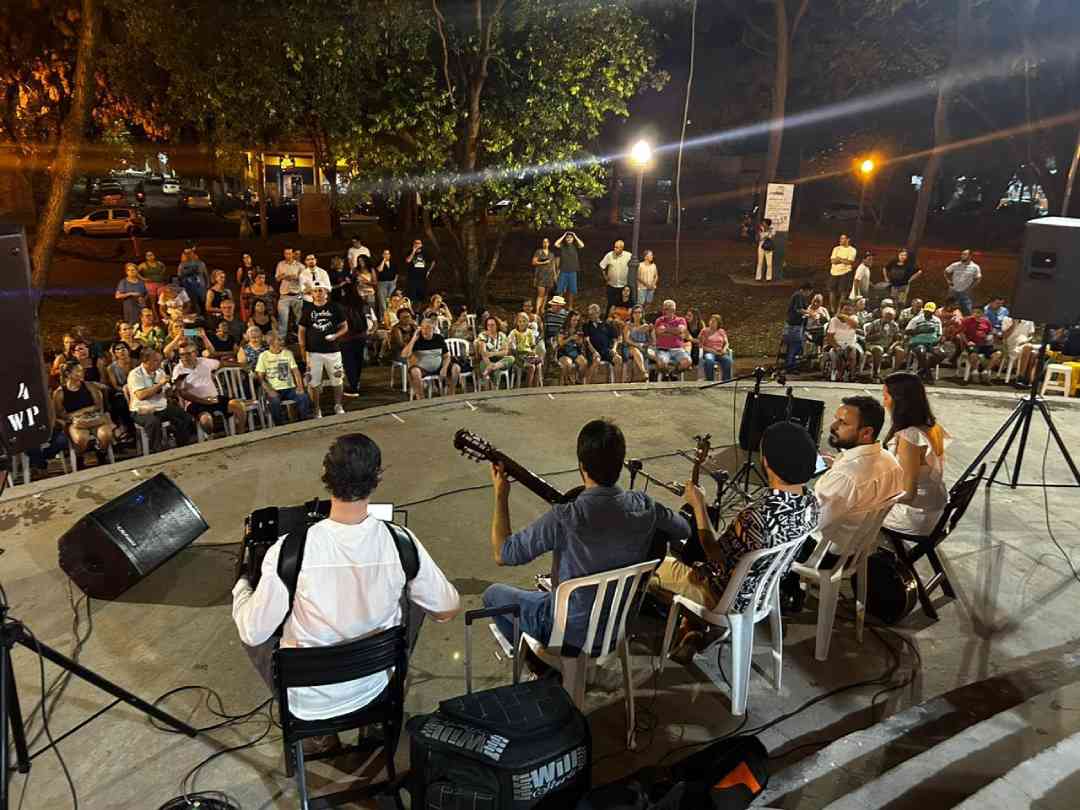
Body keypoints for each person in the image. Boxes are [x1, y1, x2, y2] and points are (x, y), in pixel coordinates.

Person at [232, 433, 460, 745]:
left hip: (308, 702)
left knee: (249, 619)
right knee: (417, 596)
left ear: (326, 476)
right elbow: (447, 608)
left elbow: (254, 633)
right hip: (377, 687)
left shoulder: (289, 550)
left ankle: (322, 735)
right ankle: (377, 725)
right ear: (377, 478)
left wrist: (241, 588)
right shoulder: (400, 542)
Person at [483, 420, 690, 656]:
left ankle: (538, 663)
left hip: (567, 635)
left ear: (582, 466)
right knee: (542, 596)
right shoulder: (645, 505)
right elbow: (683, 529)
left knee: (493, 595)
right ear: (621, 465)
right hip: (618, 627)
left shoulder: (565, 517)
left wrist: (501, 494)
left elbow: (503, 553)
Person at [652, 421, 819, 649]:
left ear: (767, 462)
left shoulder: (755, 515)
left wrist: (699, 506)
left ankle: (693, 624)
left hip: (725, 599)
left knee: (651, 566)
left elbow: (714, 554)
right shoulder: (811, 503)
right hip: (763, 594)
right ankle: (694, 632)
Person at [807, 395, 904, 564]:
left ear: (866, 432)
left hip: (825, 555)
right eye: (836, 419)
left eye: (843, 423)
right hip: (858, 548)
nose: (833, 426)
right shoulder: (891, 462)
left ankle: (786, 585)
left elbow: (811, 523)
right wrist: (837, 462)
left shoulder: (845, 477)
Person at [881, 372, 951, 536]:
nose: (883, 403)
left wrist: (873, 495)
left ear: (900, 400)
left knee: (854, 511)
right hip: (934, 508)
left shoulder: (910, 437)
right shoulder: (932, 426)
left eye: (885, 397)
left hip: (915, 516)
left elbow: (908, 494)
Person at [172, 341, 247, 437]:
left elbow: (222, 363)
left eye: (188, 354)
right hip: (195, 403)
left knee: (238, 405)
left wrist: (241, 365)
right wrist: (204, 401)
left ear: (195, 353)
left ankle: (241, 436)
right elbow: (182, 393)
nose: (185, 357)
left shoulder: (204, 362)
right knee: (206, 420)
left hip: (214, 398)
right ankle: (212, 440)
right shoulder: (178, 370)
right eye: (182, 354)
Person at [127, 349, 195, 452]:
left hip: (161, 406)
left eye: (160, 360)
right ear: (145, 361)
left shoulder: (160, 372)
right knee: (153, 422)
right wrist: (160, 384)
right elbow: (141, 395)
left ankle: (182, 446)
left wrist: (175, 387)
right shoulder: (135, 374)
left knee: (185, 417)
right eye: (156, 361)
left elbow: (167, 393)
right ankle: (157, 451)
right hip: (142, 410)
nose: (159, 363)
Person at [52, 361, 115, 465]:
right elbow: (60, 414)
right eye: (78, 371)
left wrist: (82, 411)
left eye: (82, 370)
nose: (82, 373)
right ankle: (80, 456)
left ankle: (101, 453)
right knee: (81, 438)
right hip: (75, 422)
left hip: (94, 418)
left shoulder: (89, 386)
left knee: (106, 434)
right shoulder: (59, 393)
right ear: (68, 374)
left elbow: (98, 405)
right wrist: (75, 417)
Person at [298, 284, 347, 417]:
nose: (318, 293)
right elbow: (301, 330)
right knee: (314, 382)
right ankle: (316, 409)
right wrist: (302, 347)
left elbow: (344, 326)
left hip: (333, 351)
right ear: (312, 294)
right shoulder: (308, 309)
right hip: (314, 352)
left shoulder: (335, 307)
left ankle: (338, 405)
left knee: (337, 379)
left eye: (321, 290)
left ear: (326, 293)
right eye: (315, 291)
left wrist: (336, 336)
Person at [255, 333, 312, 423]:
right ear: (271, 342)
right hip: (274, 389)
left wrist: (300, 387)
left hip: (289, 388)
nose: (282, 341)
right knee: (275, 401)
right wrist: (269, 390)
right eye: (279, 340)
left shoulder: (288, 353)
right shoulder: (263, 356)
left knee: (303, 397)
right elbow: (260, 377)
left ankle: (304, 422)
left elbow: (296, 371)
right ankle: (280, 425)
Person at [404, 317, 460, 398]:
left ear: (433, 329)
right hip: (422, 369)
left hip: (438, 366)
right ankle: (421, 397)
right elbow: (405, 355)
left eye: (427, 328)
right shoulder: (416, 339)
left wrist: (444, 368)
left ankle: (451, 393)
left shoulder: (439, 338)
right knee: (415, 372)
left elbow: (447, 356)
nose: (424, 330)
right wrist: (413, 339)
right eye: (422, 328)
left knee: (456, 368)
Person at [652, 299, 692, 380]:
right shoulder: (659, 320)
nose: (664, 311)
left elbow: (680, 330)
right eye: (664, 309)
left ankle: (674, 373)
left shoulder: (681, 320)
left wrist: (666, 330)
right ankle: (666, 374)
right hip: (663, 349)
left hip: (678, 349)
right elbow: (659, 332)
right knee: (661, 363)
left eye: (666, 309)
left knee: (687, 362)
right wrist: (674, 331)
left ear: (673, 310)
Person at [582, 303, 622, 383]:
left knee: (618, 359)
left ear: (598, 313)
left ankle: (617, 384)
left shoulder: (607, 325)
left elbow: (615, 339)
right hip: (592, 350)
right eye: (590, 314)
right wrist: (594, 352)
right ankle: (587, 384)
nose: (592, 316)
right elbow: (587, 340)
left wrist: (614, 348)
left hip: (606, 350)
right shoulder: (586, 325)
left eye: (593, 313)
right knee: (596, 360)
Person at [905, 301, 944, 381]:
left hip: (932, 343)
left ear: (933, 312)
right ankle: (928, 373)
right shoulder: (916, 319)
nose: (928, 313)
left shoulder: (937, 320)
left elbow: (939, 334)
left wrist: (937, 341)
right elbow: (907, 331)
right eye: (926, 311)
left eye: (930, 312)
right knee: (921, 351)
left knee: (941, 354)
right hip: (918, 342)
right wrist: (921, 330)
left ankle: (922, 371)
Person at [958, 305, 998, 384]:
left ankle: (986, 371)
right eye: (974, 312)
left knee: (997, 354)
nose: (976, 314)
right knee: (973, 353)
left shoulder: (986, 322)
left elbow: (991, 333)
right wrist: (967, 342)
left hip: (984, 344)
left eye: (978, 312)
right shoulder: (967, 321)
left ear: (983, 313)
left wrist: (988, 337)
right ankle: (975, 371)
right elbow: (961, 333)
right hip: (972, 344)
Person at [863, 307, 903, 383]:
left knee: (900, 351)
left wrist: (891, 347)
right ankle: (875, 373)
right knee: (879, 349)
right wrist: (877, 335)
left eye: (891, 317)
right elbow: (867, 338)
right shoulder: (875, 323)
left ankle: (893, 373)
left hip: (888, 346)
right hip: (875, 344)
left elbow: (898, 340)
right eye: (887, 316)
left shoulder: (894, 325)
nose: (888, 319)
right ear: (882, 315)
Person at [825, 301, 861, 382]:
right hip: (836, 344)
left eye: (849, 310)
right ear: (841, 310)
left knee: (852, 350)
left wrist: (845, 317)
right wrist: (837, 347)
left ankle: (852, 375)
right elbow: (830, 337)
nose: (847, 312)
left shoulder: (854, 318)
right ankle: (838, 374)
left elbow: (855, 326)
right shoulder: (834, 320)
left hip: (851, 344)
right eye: (845, 310)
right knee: (837, 353)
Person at [507, 311, 542, 387]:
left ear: (527, 322)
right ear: (517, 322)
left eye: (524, 321)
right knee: (531, 367)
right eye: (520, 321)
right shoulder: (514, 333)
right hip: (518, 355)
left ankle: (535, 387)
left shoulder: (529, 332)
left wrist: (533, 352)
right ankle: (528, 387)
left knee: (538, 365)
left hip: (528, 354)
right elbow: (512, 348)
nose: (522, 323)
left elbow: (532, 345)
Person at [476, 315, 514, 387]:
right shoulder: (482, 335)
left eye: (492, 325)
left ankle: (492, 368)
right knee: (495, 371)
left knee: (511, 358)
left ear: (497, 326)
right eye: (488, 325)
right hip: (486, 361)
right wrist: (489, 364)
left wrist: (492, 354)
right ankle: (494, 390)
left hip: (500, 361)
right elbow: (483, 353)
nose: (490, 327)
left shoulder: (502, 335)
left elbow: (505, 352)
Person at [275, 247, 304, 338]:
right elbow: (277, 278)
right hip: (284, 295)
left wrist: (295, 278)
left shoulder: (300, 266)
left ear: (293, 254)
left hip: (297, 295)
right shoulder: (281, 264)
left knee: (299, 319)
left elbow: (304, 280)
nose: (287, 255)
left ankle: (301, 338)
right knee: (283, 320)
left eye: (289, 253)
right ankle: (281, 341)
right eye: (286, 253)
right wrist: (282, 276)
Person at [783, 281, 812, 372]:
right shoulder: (798, 296)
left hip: (796, 324)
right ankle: (790, 365)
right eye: (809, 293)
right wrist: (811, 313)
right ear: (806, 290)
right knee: (795, 344)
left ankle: (791, 364)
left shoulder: (798, 296)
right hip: (794, 325)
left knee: (795, 345)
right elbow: (799, 309)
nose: (808, 295)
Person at [944, 249, 981, 315]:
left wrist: (970, 288)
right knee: (948, 309)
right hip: (953, 290)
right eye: (962, 254)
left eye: (964, 254)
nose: (962, 256)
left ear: (970, 256)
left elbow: (978, 278)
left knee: (967, 310)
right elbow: (946, 272)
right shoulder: (955, 265)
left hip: (965, 292)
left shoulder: (975, 267)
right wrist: (948, 281)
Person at [554, 231, 584, 310]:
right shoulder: (563, 246)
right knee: (560, 291)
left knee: (571, 291)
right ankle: (559, 307)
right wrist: (564, 235)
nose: (569, 239)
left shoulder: (575, 246)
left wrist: (575, 235)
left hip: (572, 272)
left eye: (570, 237)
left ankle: (570, 307)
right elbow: (556, 244)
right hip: (563, 271)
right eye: (568, 237)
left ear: (573, 239)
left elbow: (582, 245)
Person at [598, 239, 631, 311]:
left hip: (623, 285)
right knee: (611, 303)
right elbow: (602, 265)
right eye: (615, 247)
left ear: (622, 248)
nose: (615, 249)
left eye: (617, 247)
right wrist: (605, 276)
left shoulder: (628, 255)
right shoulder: (609, 255)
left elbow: (635, 266)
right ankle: (608, 318)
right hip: (612, 285)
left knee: (622, 304)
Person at [557, 311, 588, 385]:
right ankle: (566, 383)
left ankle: (578, 381)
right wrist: (570, 338)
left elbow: (580, 344)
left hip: (575, 351)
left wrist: (579, 342)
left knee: (584, 363)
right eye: (574, 320)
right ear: (569, 319)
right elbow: (560, 343)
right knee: (568, 364)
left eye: (577, 320)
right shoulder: (563, 329)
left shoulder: (578, 330)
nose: (575, 322)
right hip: (564, 352)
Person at [699, 314, 732, 382]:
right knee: (709, 360)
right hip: (709, 352)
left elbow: (726, 343)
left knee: (728, 361)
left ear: (718, 323)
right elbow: (701, 345)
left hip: (720, 353)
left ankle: (726, 381)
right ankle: (710, 381)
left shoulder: (721, 331)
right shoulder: (704, 331)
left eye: (714, 322)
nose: (711, 323)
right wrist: (712, 351)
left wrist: (724, 350)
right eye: (711, 321)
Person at [828, 234, 856, 312]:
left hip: (845, 273)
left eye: (843, 239)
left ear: (848, 240)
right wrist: (843, 260)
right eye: (840, 238)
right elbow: (833, 261)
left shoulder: (852, 250)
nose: (840, 240)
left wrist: (839, 259)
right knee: (832, 291)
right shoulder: (836, 249)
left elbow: (849, 262)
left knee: (843, 292)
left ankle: (839, 310)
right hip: (833, 273)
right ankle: (832, 310)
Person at [624, 305, 652, 382]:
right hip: (630, 347)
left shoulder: (645, 326)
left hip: (643, 347)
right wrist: (637, 345)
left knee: (652, 353)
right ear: (632, 314)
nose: (637, 314)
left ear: (642, 314)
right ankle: (644, 372)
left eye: (639, 312)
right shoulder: (628, 325)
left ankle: (665, 372)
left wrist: (644, 345)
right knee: (635, 350)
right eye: (635, 312)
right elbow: (627, 339)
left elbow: (650, 341)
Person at [178, 248, 209, 314]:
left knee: (202, 303)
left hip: (200, 287)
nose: (189, 255)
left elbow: (206, 274)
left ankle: (203, 317)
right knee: (192, 304)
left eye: (190, 253)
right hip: (188, 287)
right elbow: (179, 277)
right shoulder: (182, 265)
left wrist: (207, 285)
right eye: (187, 254)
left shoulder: (201, 263)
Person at [531, 237, 557, 315]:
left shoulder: (551, 254)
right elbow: (534, 262)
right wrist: (544, 262)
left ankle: (542, 309)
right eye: (544, 242)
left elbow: (553, 266)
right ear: (542, 243)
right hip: (541, 275)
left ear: (549, 244)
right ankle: (537, 311)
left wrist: (555, 276)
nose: (545, 244)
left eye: (546, 242)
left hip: (549, 276)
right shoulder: (538, 252)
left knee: (546, 294)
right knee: (540, 294)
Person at [405, 239, 434, 305]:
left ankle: (418, 312)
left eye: (419, 243)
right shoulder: (410, 252)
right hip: (412, 278)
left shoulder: (425, 252)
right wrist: (413, 251)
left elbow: (433, 261)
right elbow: (408, 260)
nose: (417, 244)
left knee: (421, 297)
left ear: (421, 244)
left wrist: (428, 271)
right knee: (411, 296)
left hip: (422, 278)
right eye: (416, 243)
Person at [375, 248, 398, 318]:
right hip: (382, 283)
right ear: (382, 255)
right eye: (385, 254)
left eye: (387, 254)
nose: (386, 255)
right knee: (382, 302)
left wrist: (395, 282)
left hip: (392, 283)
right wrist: (383, 261)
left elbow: (397, 273)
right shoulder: (379, 262)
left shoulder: (393, 262)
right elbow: (379, 269)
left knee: (390, 301)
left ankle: (391, 318)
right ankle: (383, 319)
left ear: (390, 255)